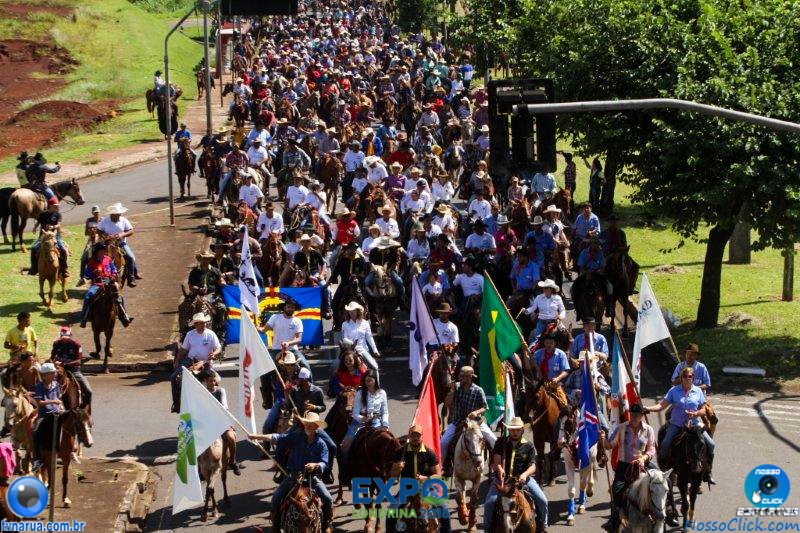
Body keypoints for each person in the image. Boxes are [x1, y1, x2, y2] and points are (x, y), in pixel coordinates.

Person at [250, 412, 334, 533]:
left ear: (316, 427)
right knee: (276, 498)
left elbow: (324, 463)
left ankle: (326, 524)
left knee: (328, 498)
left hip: (312, 478)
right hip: (293, 477)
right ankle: (276, 525)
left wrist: (316, 465)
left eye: (310, 425)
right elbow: (278, 438)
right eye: (306, 424)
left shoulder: (321, 444)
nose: (307, 427)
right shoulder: (296, 436)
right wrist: (258, 437)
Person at [646, 366, 716, 484]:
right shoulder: (674, 391)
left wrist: (696, 413)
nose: (687, 378)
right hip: (676, 424)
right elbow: (661, 406)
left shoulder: (698, 391)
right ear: (681, 378)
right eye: (685, 376)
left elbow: (704, 409)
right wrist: (647, 408)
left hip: (693, 424)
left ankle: (708, 471)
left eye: (690, 376)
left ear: (693, 378)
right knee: (665, 445)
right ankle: (666, 469)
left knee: (711, 444)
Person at [484, 417, 548, 532]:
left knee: (542, 500)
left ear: (522, 430)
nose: (515, 432)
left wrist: (525, 474)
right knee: (490, 503)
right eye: (512, 430)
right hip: (503, 480)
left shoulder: (528, 446)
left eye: (518, 430)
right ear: (509, 430)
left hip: (523, 480)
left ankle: (543, 525)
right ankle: (487, 529)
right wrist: (500, 468)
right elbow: (496, 461)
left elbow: (533, 466)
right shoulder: (501, 442)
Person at [600, 403, 656, 531]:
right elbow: (609, 445)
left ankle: (668, 511)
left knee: (664, 481)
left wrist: (644, 458)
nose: (634, 417)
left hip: (642, 463)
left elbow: (651, 449)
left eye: (637, 415)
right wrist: (603, 439)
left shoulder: (648, 429)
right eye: (632, 414)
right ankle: (614, 519)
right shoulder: (621, 428)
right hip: (624, 465)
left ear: (642, 415)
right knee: (616, 489)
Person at [387, 424, 452, 533]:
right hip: (406, 490)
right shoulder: (400, 453)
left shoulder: (430, 453)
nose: (415, 438)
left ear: (422, 436)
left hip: (427, 490)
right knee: (391, 513)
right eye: (413, 435)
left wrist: (425, 478)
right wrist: (397, 468)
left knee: (445, 511)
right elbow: (393, 477)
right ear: (409, 436)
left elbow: (438, 476)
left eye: (418, 435)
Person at [440, 366, 496, 475]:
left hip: (475, 423)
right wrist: (452, 391)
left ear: (470, 377)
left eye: (462, 376)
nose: (460, 378)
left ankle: (495, 466)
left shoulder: (478, 390)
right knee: (443, 442)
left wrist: (476, 412)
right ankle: (446, 467)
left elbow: (485, 407)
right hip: (457, 422)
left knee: (494, 440)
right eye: (460, 375)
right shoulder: (455, 387)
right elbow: (446, 404)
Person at [170, 312, 222, 412]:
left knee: (215, 380)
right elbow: (183, 350)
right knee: (173, 377)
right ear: (195, 324)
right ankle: (176, 404)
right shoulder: (190, 335)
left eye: (204, 322)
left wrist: (214, 353)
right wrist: (177, 361)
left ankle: (217, 403)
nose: (204, 324)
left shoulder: (211, 334)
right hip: (191, 360)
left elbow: (218, 347)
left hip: (206, 362)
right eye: (201, 323)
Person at [80, 243, 134, 329]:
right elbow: (87, 274)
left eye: (104, 251)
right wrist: (94, 273)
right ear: (97, 252)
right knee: (87, 297)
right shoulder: (91, 261)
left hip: (109, 282)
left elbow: (113, 269)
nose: (103, 252)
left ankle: (124, 317)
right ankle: (84, 318)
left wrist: (113, 274)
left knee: (119, 297)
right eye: (101, 251)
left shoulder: (108, 259)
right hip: (97, 283)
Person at [340, 369, 387, 464]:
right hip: (359, 423)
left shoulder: (382, 393)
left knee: (389, 444)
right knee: (345, 445)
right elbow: (355, 413)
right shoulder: (360, 393)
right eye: (366, 381)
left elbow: (385, 411)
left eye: (370, 380)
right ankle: (345, 468)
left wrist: (385, 425)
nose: (368, 383)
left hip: (376, 423)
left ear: (375, 380)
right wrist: (363, 418)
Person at [199, 369, 241, 475]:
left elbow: (224, 407)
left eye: (214, 381)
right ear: (205, 381)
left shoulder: (221, 391)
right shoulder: (201, 393)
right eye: (210, 381)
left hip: (221, 420)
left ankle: (232, 461)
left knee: (231, 437)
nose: (213, 383)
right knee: (196, 441)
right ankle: (199, 467)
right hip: (207, 423)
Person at [97, 203, 141, 286]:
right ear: (112, 214)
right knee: (96, 255)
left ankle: (131, 277)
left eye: (119, 213)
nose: (119, 215)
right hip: (107, 244)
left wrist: (122, 234)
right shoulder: (105, 221)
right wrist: (105, 235)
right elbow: (98, 230)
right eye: (117, 214)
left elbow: (131, 231)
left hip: (120, 244)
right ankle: (94, 275)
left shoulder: (123, 220)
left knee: (131, 257)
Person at [31, 362, 62, 472]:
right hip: (44, 415)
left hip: (56, 413)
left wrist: (59, 406)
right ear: (45, 375)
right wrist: (53, 401)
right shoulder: (39, 386)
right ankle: (37, 459)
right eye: (52, 373)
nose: (54, 374)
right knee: (36, 432)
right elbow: (39, 403)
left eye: (54, 372)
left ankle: (68, 451)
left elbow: (59, 399)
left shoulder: (56, 384)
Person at [262, 299, 310, 369]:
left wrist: (288, 343)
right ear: (284, 307)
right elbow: (263, 330)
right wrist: (254, 326)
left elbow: (299, 339)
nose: (290, 309)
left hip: (292, 350)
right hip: (276, 349)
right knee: (266, 369)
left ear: (295, 309)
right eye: (288, 307)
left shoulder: (297, 321)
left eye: (292, 307)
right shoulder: (275, 317)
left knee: (306, 366)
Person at [50, 326, 92, 406]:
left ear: (70, 335)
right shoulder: (56, 344)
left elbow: (78, 361)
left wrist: (64, 364)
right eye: (63, 337)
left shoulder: (76, 345)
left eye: (66, 337)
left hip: (73, 370)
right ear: (60, 335)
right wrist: (53, 363)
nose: (65, 339)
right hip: (59, 370)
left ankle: (86, 407)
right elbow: (52, 357)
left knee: (88, 391)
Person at [28, 200, 69, 277]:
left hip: (55, 236)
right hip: (43, 236)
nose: (57, 207)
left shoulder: (58, 214)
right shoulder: (43, 214)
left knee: (63, 250)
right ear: (50, 206)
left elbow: (59, 224)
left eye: (58, 206)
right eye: (56, 206)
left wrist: (53, 226)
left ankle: (64, 269)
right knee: (33, 248)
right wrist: (35, 227)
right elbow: (38, 222)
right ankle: (34, 268)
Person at [341, 302, 381, 371]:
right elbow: (344, 338)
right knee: (336, 365)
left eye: (353, 310)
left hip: (363, 350)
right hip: (350, 351)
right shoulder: (345, 324)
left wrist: (375, 350)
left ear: (357, 311)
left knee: (375, 367)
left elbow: (369, 337)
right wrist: (352, 343)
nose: (351, 312)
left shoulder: (365, 323)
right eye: (350, 311)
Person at [77, 205, 103, 286]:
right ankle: (82, 277)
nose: (96, 214)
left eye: (97, 212)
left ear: (99, 212)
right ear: (92, 213)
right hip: (91, 241)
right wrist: (90, 231)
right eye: (95, 213)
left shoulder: (103, 220)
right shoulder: (89, 220)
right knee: (83, 258)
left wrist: (98, 232)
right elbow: (86, 233)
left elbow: (105, 231)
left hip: (101, 240)